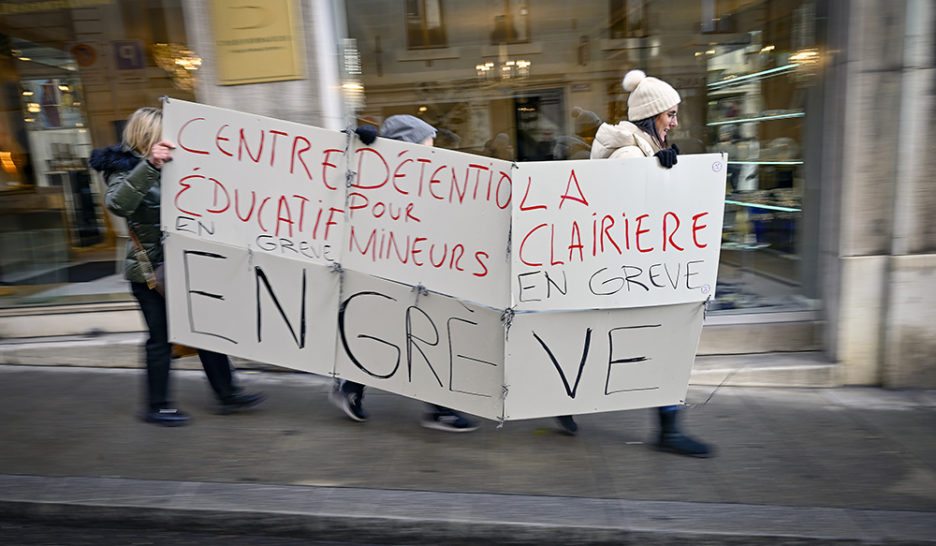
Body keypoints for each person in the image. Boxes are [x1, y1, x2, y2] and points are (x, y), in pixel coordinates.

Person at [560, 69, 711, 458]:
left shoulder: (642, 148)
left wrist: (663, 171)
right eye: (670, 115)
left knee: (623, 344)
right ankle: (668, 430)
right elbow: (622, 214)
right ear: (651, 116)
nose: (675, 122)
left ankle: (565, 402)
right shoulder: (630, 153)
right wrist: (655, 175)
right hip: (630, 273)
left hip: (633, 272)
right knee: (659, 344)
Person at [90, 106, 264, 427]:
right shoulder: (122, 167)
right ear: (147, 136)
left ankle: (228, 395)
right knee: (160, 339)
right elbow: (117, 204)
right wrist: (150, 166)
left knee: (208, 332)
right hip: (152, 273)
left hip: (188, 266)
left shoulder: (180, 163)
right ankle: (156, 406)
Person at [332, 114, 479, 433]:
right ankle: (437, 409)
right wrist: (357, 139)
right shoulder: (378, 169)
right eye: (428, 142)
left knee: (404, 331)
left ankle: (352, 389)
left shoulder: (430, 175)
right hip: (392, 267)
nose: (434, 148)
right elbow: (336, 165)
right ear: (408, 145)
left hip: (420, 268)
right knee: (416, 332)